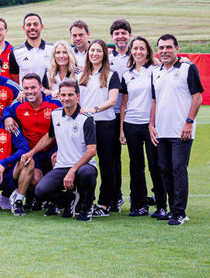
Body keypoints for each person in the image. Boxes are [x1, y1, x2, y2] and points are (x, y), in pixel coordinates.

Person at [26, 80, 98, 221]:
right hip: (62, 166)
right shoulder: (55, 114)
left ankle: (86, 207)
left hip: (83, 166)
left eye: (70, 95)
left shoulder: (87, 119)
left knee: (86, 173)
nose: (66, 98)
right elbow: (50, 137)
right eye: (63, 95)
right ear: (58, 96)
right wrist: (32, 152)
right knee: (40, 191)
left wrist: (73, 170)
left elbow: (92, 151)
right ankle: (69, 200)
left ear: (77, 96)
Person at [151, 34, 204, 225]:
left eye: (168, 47)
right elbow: (155, 100)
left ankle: (180, 212)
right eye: (161, 48)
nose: (164, 51)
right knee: (164, 170)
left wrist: (189, 122)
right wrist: (151, 124)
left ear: (177, 49)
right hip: (162, 130)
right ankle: (173, 209)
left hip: (181, 130)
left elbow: (197, 97)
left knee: (178, 170)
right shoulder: (156, 71)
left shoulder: (188, 68)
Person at [119, 36, 166, 219]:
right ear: (131, 51)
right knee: (136, 166)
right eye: (135, 48)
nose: (138, 51)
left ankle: (161, 205)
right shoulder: (127, 74)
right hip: (131, 125)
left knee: (156, 165)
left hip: (152, 125)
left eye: (142, 48)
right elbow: (124, 103)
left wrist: (152, 124)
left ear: (148, 51)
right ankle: (139, 205)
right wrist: (122, 128)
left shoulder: (156, 70)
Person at [1, 73, 59, 215]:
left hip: (53, 149)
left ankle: (56, 202)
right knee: (35, 181)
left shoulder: (54, 103)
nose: (30, 91)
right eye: (26, 88)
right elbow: (6, 110)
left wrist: (61, 149)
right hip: (35, 154)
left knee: (58, 163)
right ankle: (33, 198)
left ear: (41, 87)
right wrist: (7, 118)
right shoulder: (19, 105)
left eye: (33, 87)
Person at [78, 39, 121, 216]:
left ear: (105, 54)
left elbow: (112, 100)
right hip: (85, 124)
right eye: (92, 50)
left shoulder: (111, 75)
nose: (95, 53)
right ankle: (84, 200)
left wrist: (94, 109)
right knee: (83, 163)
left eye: (99, 51)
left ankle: (105, 203)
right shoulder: (80, 75)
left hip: (105, 124)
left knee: (107, 165)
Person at [14, 13, 53, 82]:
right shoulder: (16, 52)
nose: (32, 27)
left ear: (41, 27)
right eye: (28, 25)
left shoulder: (53, 49)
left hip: (49, 92)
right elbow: (15, 78)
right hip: (27, 92)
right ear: (24, 28)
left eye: (35, 24)